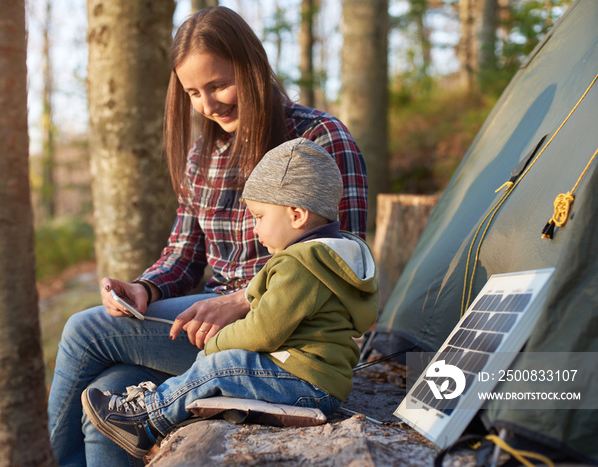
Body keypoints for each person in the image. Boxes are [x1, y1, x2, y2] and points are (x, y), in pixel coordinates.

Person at [48, 6, 368, 466]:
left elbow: (341, 257)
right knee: (109, 389)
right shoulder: (204, 153)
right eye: (194, 92)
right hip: (209, 322)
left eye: (218, 85)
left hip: (286, 334)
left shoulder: (320, 138)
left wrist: (242, 299)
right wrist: (143, 288)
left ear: (253, 68)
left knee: (83, 331)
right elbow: (184, 252)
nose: (207, 104)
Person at [80, 137, 379, 458]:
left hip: (302, 380)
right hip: (315, 381)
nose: (254, 229)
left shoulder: (300, 264)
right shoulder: (340, 254)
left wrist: (217, 342)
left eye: (260, 217)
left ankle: (149, 420)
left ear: (296, 215)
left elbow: (263, 330)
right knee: (224, 367)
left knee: (224, 364)